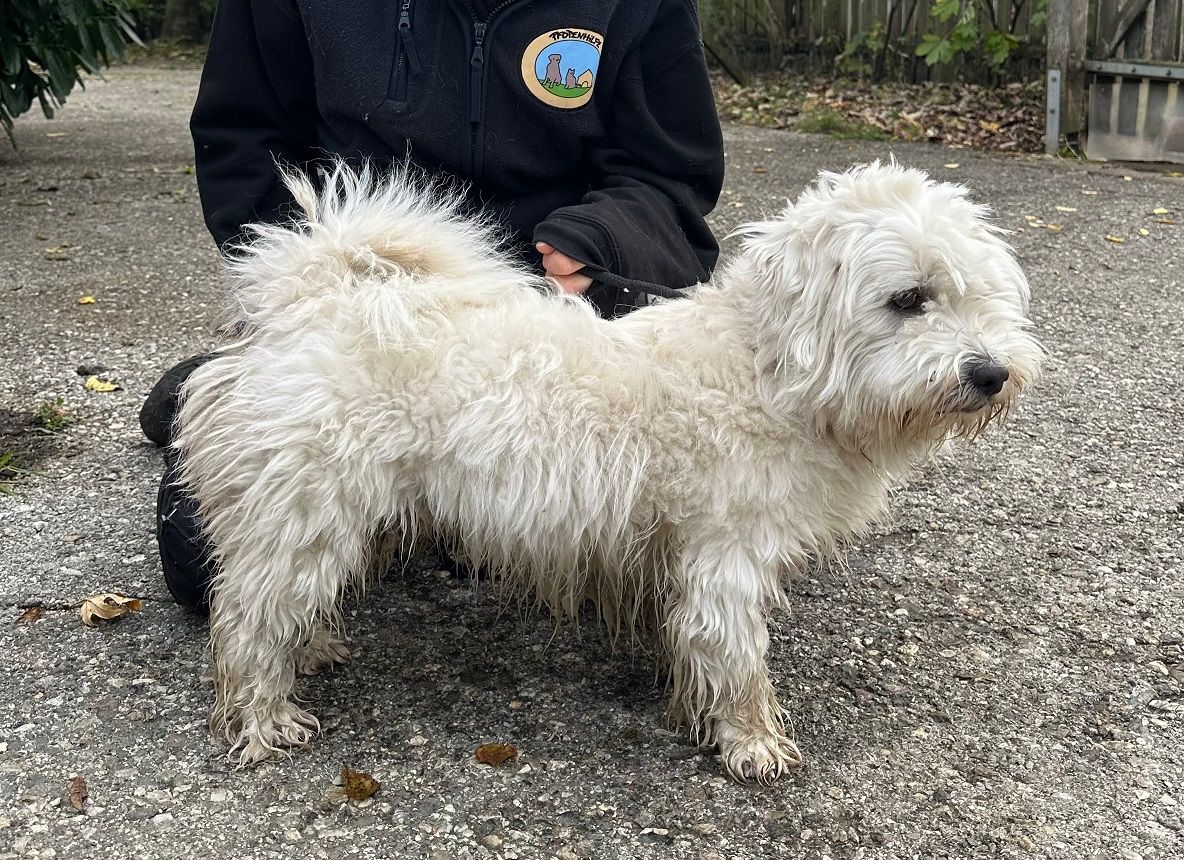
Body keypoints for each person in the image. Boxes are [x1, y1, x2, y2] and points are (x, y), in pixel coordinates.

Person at [144, 0, 725, 611]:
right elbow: (242, 143)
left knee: (632, 552)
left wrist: (600, 239)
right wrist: (306, 294)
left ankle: (214, 390)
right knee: (211, 570)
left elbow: (670, 175)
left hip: (544, 315)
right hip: (362, 309)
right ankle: (229, 386)